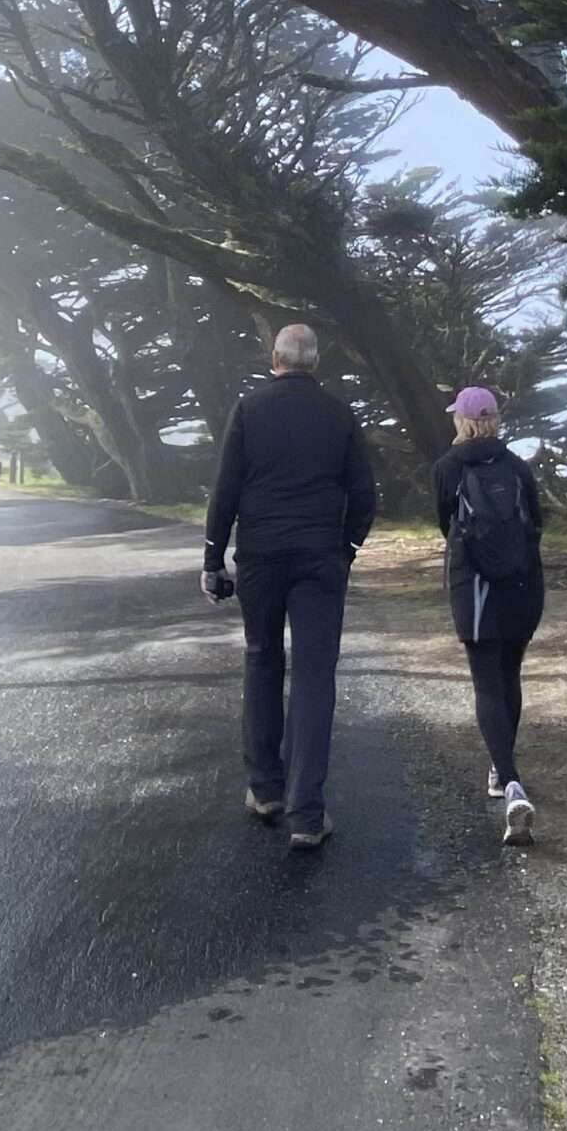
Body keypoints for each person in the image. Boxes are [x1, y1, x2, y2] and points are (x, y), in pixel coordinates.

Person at [201, 319, 377, 849]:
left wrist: (213, 558)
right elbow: (364, 494)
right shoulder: (339, 413)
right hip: (320, 556)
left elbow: (225, 489)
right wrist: (346, 549)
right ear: (314, 364)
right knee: (315, 675)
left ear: (274, 360)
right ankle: (307, 814)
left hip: (260, 556)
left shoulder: (248, 410)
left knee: (261, 658)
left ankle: (265, 789)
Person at [432, 387, 545, 847]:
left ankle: (511, 782)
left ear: (461, 421)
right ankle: (501, 770)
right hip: (523, 583)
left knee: (485, 682)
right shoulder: (519, 467)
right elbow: (537, 523)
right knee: (510, 675)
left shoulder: (446, 468)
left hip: (474, 586)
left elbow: (445, 524)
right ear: (495, 420)